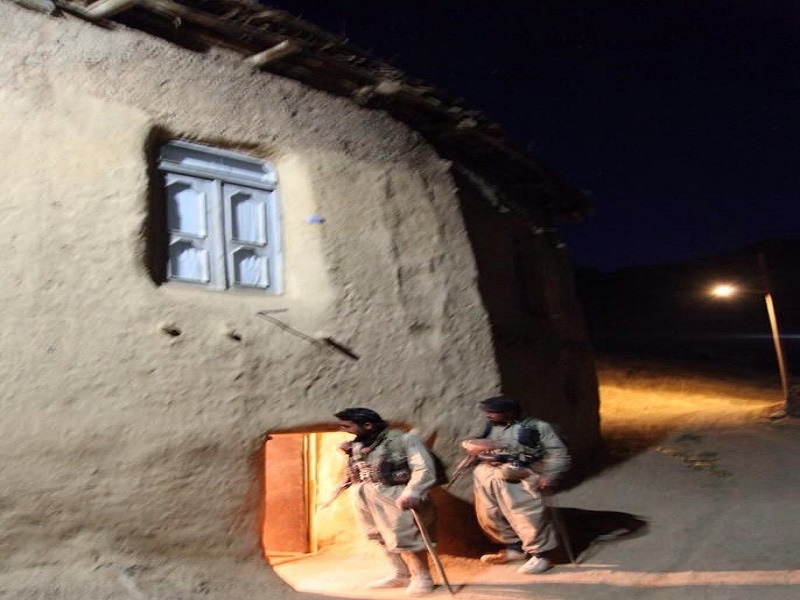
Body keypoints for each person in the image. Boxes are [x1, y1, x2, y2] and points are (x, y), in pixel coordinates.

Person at [334, 407, 439, 596]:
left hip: (394, 493)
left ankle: (422, 577)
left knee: (405, 536)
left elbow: (423, 467)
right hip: (365, 492)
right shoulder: (360, 442)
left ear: (367, 425)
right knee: (379, 535)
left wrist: (413, 492)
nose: (344, 430)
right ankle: (401, 573)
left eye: (348, 426)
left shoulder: (403, 439)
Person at [460, 395, 571, 574]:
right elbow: (482, 441)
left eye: (493, 412)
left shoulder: (537, 427)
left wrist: (550, 475)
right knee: (491, 514)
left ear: (509, 412)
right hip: (490, 475)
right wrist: (476, 446)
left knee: (527, 516)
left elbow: (558, 453)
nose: (488, 415)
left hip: (520, 476)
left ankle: (541, 555)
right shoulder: (491, 426)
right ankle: (515, 548)